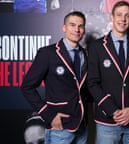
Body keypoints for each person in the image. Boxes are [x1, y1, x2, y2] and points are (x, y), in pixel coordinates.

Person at [21, 11, 89, 144]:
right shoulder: (47, 53)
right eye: (72, 25)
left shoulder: (85, 54)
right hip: (59, 126)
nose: (77, 29)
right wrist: (48, 115)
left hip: (82, 126)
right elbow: (27, 87)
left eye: (80, 26)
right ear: (64, 27)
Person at [87, 1, 129, 144]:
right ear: (112, 17)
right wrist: (113, 111)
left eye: (127, 15)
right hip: (107, 119)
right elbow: (92, 83)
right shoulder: (97, 47)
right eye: (119, 15)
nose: (123, 19)